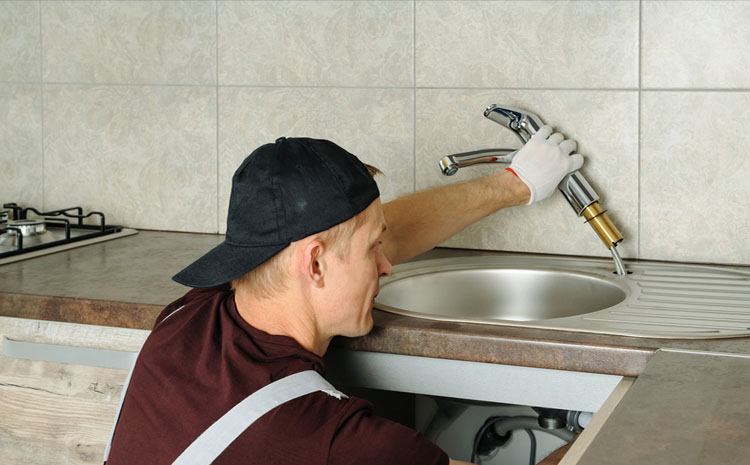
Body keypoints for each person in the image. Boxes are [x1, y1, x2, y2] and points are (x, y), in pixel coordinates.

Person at [105, 127, 583, 465]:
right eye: (373, 250)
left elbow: (380, 234)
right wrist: (602, 437)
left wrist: (513, 186)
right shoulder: (332, 440)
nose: (387, 264)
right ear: (313, 264)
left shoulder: (189, 314)